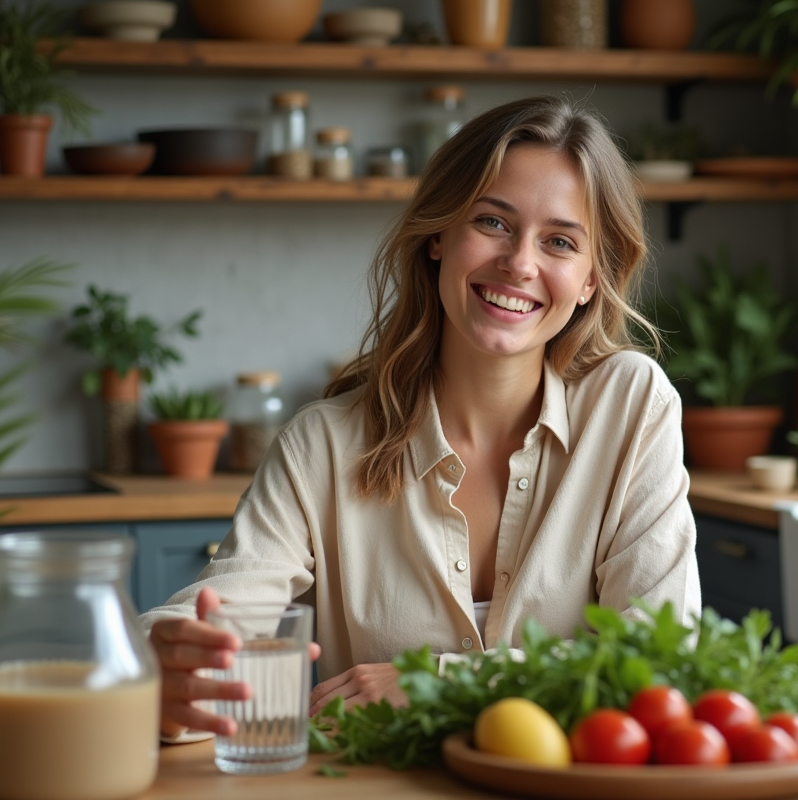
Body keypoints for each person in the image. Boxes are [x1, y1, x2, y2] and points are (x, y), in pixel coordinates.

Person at [141, 95, 701, 741]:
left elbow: (664, 663)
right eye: (492, 222)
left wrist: (442, 680)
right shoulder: (321, 445)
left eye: (559, 241)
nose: (520, 263)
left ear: (590, 282)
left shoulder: (631, 406)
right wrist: (162, 666)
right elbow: (216, 622)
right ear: (439, 234)